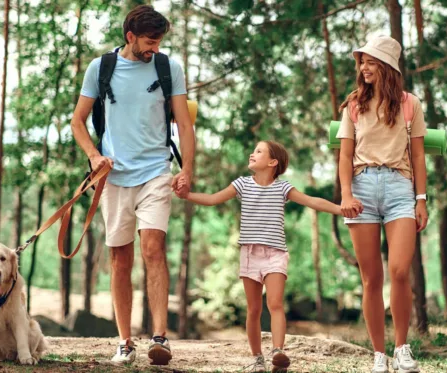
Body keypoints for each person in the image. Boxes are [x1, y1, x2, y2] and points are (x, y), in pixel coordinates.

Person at [70, 4, 194, 366]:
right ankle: (125, 341)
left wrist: (187, 169)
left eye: (159, 41)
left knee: (153, 248)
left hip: (156, 170)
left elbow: (184, 125)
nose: (155, 47)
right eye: (149, 41)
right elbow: (78, 122)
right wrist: (95, 157)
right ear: (130, 36)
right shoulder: (101, 68)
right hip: (113, 176)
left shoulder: (169, 68)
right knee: (119, 258)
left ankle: (160, 338)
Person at [181, 140, 354, 372]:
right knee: (253, 309)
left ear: (273, 162)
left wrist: (341, 207)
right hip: (250, 253)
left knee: (275, 303)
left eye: (259, 151)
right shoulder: (242, 184)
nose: (253, 154)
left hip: (275, 254)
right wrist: (187, 195)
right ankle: (257, 359)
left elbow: (312, 201)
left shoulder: (283, 188)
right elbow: (213, 199)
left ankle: (278, 352)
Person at [337, 35, 429, 373]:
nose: (363, 67)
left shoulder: (410, 104)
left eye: (370, 61)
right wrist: (346, 194)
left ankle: (402, 348)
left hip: (400, 188)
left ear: (387, 66)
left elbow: (418, 155)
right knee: (371, 279)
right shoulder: (354, 106)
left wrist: (421, 198)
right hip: (361, 189)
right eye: (362, 61)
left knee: (400, 271)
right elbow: (345, 156)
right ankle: (379, 354)